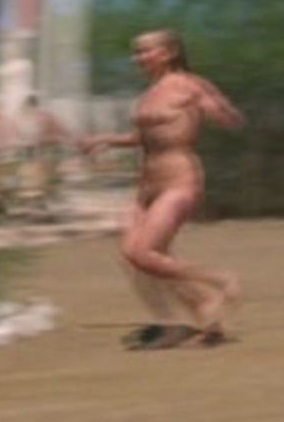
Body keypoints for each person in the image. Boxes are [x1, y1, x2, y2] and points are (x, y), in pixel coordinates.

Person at [80, 28, 244, 349]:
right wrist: (105, 139)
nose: (137, 58)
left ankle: (219, 280)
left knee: (144, 253)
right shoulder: (149, 92)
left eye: (145, 51)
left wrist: (221, 112)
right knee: (134, 259)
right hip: (146, 184)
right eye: (136, 52)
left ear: (169, 52)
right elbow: (143, 137)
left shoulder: (189, 85)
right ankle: (179, 322)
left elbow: (227, 117)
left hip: (178, 179)